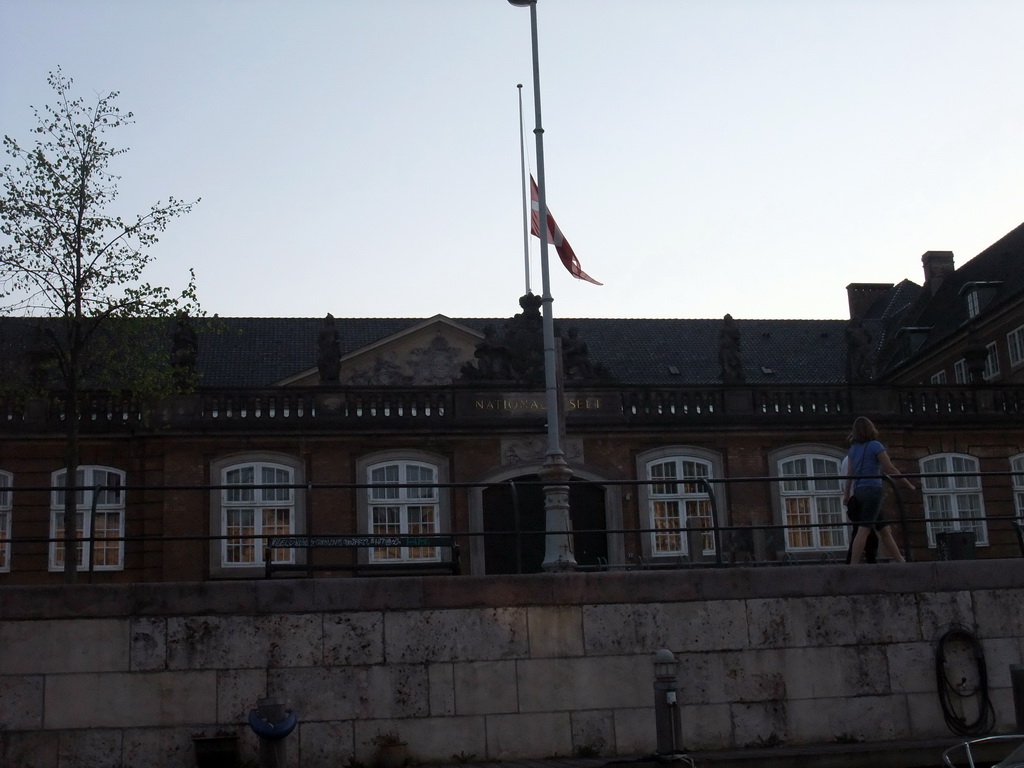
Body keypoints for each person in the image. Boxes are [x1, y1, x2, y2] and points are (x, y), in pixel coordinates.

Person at [843, 416, 915, 564]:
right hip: (873, 490)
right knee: (864, 529)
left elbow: (850, 474)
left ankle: (901, 562)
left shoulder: (853, 449)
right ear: (871, 429)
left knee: (884, 529)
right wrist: (907, 484)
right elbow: (889, 467)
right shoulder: (876, 445)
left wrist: (846, 495)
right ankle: (852, 567)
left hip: (859, 491)